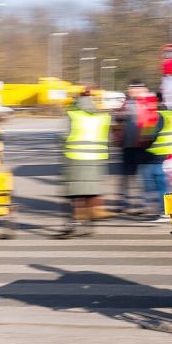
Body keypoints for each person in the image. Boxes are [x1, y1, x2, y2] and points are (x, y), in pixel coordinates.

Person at [59, 90, 112, 237]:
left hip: (75, 159)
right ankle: (89, 226)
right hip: (96, 160)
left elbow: (63, 136)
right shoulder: (103, 117)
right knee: (90, 194)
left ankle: (72, 226)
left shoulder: (73, 115)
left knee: (73, 195)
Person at [113, 79, 156, 215]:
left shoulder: (149, 102)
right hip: (127, 146)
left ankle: (145, 204)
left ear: (142, 89)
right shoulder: (126, 103)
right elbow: (117, 119)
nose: (130, 91)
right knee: (126, 176)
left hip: (143, 146)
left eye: (132, 89)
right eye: (129, 89)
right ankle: (124, 202)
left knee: (143, 176)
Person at [141, 93, 172, 222]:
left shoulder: (157, 115)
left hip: (159, 152)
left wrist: (145, 142)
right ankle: (169, 210)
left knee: (160, 183)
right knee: (167, 184)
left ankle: (165, 211)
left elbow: (154, 134)